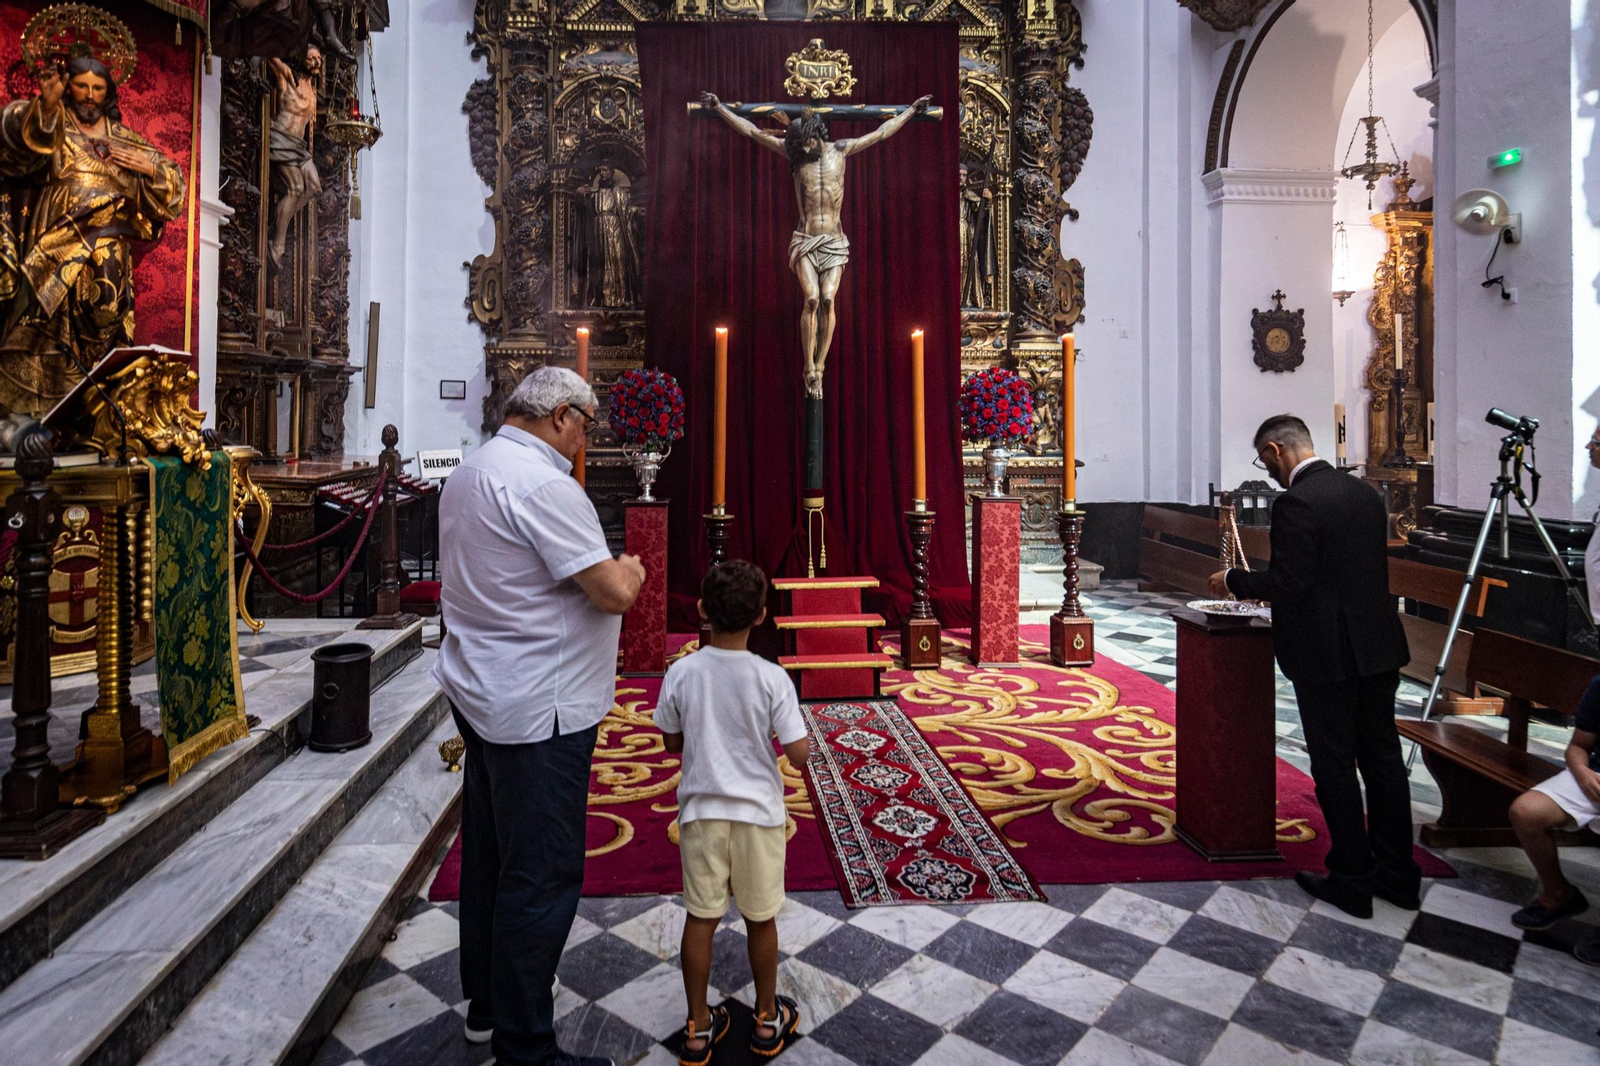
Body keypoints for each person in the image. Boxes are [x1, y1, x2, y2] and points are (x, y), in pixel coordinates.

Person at [432, 365, 645, 1066]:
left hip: (487, 694)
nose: (587, 437)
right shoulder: (543, 482)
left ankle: (488, 1011)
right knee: (541, 874)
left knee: (493, 859)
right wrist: (634, 570)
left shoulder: (473, 471)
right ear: (559, 414)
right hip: (540, 708)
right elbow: (610, 591)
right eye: (585, 421)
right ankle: (527, 1049)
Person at [1208, 414, 1419, 919]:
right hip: (1377, 646)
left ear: (1278, 450)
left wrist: (1233, 579)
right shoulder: (1365, 494)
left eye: (1265, 459)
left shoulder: (1298, 502)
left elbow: (1290, 583)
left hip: (1327, 652)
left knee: (1334, 763)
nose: (1268, 470)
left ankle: (1350, 876)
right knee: (1384, 760)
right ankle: (1398, 875)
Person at [655, 560, 809, 1065]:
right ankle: (767, 1019)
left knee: (700, 918)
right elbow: (799, 753)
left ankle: (698, 1028)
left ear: (701, 610)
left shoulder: (682, 671)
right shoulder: (771, 677)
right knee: (760, 919)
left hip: (701, 811)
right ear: (761, 616)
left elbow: (671, 741)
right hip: (759, 815)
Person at [699, 91, 932, 398]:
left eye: (805, 143)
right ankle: (808, 366)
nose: (802, 149)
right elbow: (752, 131)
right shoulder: (794, 155)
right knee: (811, 297)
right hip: (807, 239)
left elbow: (881, 133)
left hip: (834, 240)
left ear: (815, 135)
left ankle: (819, 367)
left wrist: (912, 110)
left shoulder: (841, 150)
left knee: (827, 299)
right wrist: (720, 110)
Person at [0, 56, 185, 415]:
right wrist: (48, 105)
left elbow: (173, 184)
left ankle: (89, 413)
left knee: (104, 316)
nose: (89, 95)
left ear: (108, 92)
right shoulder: (55, 125)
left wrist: (148, 167)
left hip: (109, 244)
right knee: (47, 324)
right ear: (68, 86)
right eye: (82, 86)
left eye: (97, 88)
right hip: (58, 238)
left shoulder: (123, 139)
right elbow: (14, 144)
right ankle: (38, 415)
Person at [1508, 675, 1600, 963]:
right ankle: (1559, 894)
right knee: (1526, 812)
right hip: (1595, 777)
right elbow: (1578, 746)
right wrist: (1584, 776)